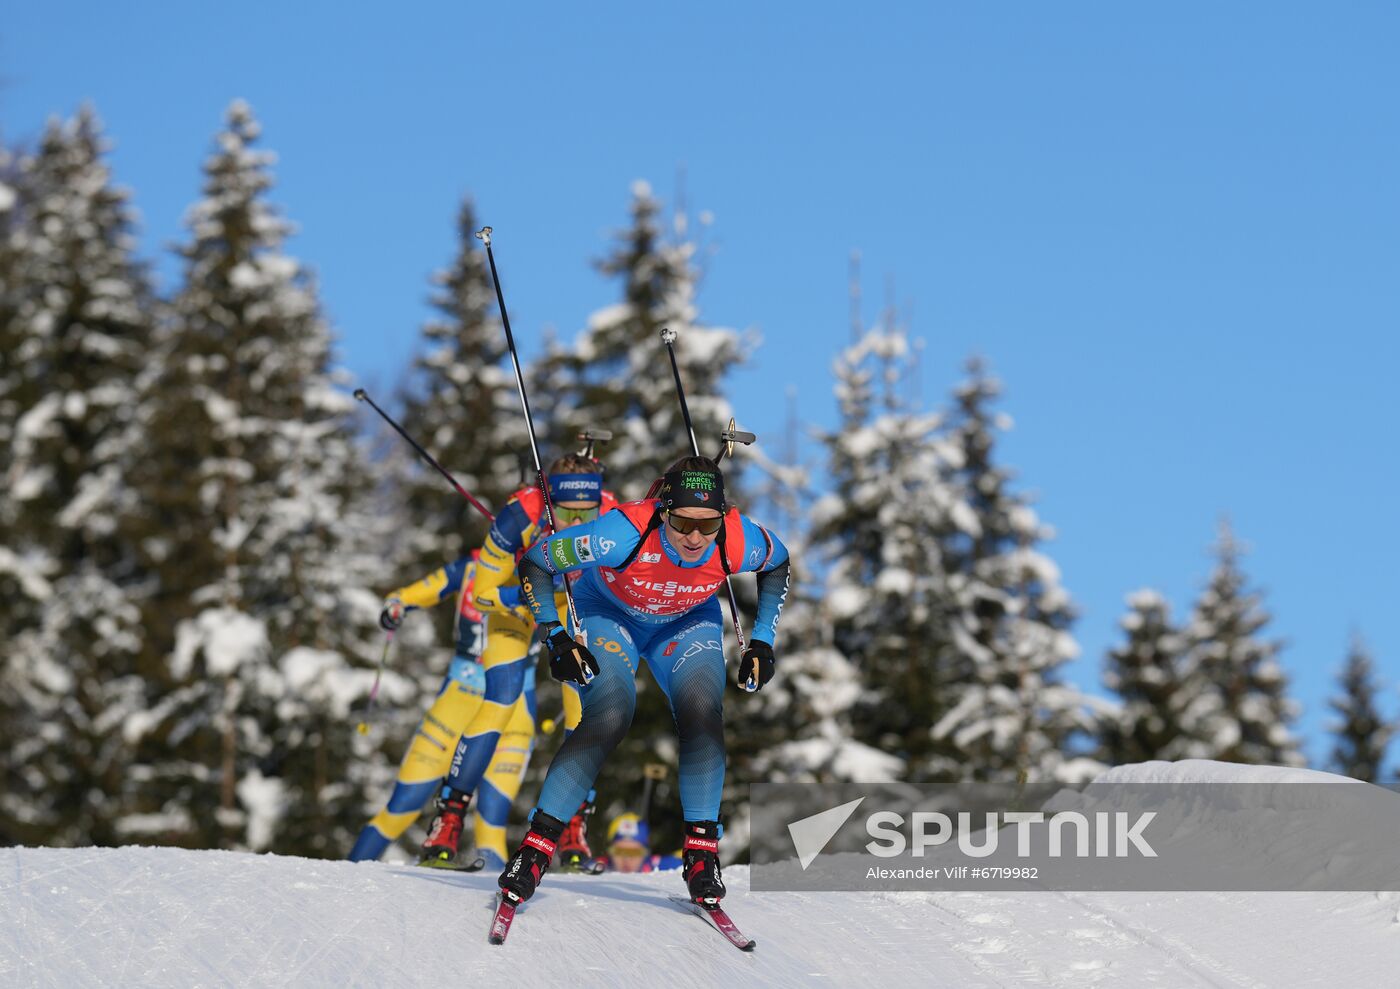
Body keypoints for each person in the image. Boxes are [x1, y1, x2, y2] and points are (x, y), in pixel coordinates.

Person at [497, 455, 791, 907]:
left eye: (707, 525)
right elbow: (537, 562)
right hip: (610, 615)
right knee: (611, 712)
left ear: (723, 517)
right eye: (681, 523)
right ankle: (536, 848)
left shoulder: (736, 537)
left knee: (702, 713)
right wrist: (555, 637)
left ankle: (700, 854)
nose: (695, 537)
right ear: (662, 510)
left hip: (686, 622)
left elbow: (779, 562)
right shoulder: (622, 532)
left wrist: (764, 640)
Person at [416, 454, 619, 869]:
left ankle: (573, 825)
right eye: (566, 513)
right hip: (515, 606)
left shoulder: (614, 515)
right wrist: (528, 592)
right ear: (549, 508)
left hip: (571, 606)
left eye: (588, 513)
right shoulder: (517, 519)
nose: (579, 524)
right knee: (503, 696)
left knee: (585, 703)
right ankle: (450, 817)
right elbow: (481, 594)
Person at [347, 550, 535, 866]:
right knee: (402, 806)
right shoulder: (471, 569)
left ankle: (497, 904)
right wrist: (396, 603)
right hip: (456, 703)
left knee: (492, 819)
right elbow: (416, 591)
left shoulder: (544, 572)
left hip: (514, 711)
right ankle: (341, 881)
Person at [599, 812, 681, 874]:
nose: (627, 859)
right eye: (619, 851)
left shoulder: (661, 867)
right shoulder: (596, 867)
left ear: (646, 853)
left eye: (634, 852)